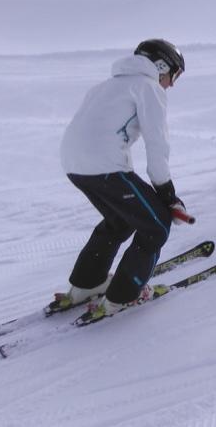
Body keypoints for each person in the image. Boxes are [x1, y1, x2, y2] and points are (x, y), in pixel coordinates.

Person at [56, 39, 188, 322]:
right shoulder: (149, 87)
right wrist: (166, 194)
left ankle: (87, 283)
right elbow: (157, 145)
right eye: (174, 75)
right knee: (156, 226)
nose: (171, 84)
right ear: (161, 66)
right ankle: (123, 295)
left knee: (120, 219)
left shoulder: (105, 86)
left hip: (73, 164)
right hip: (105, 166)